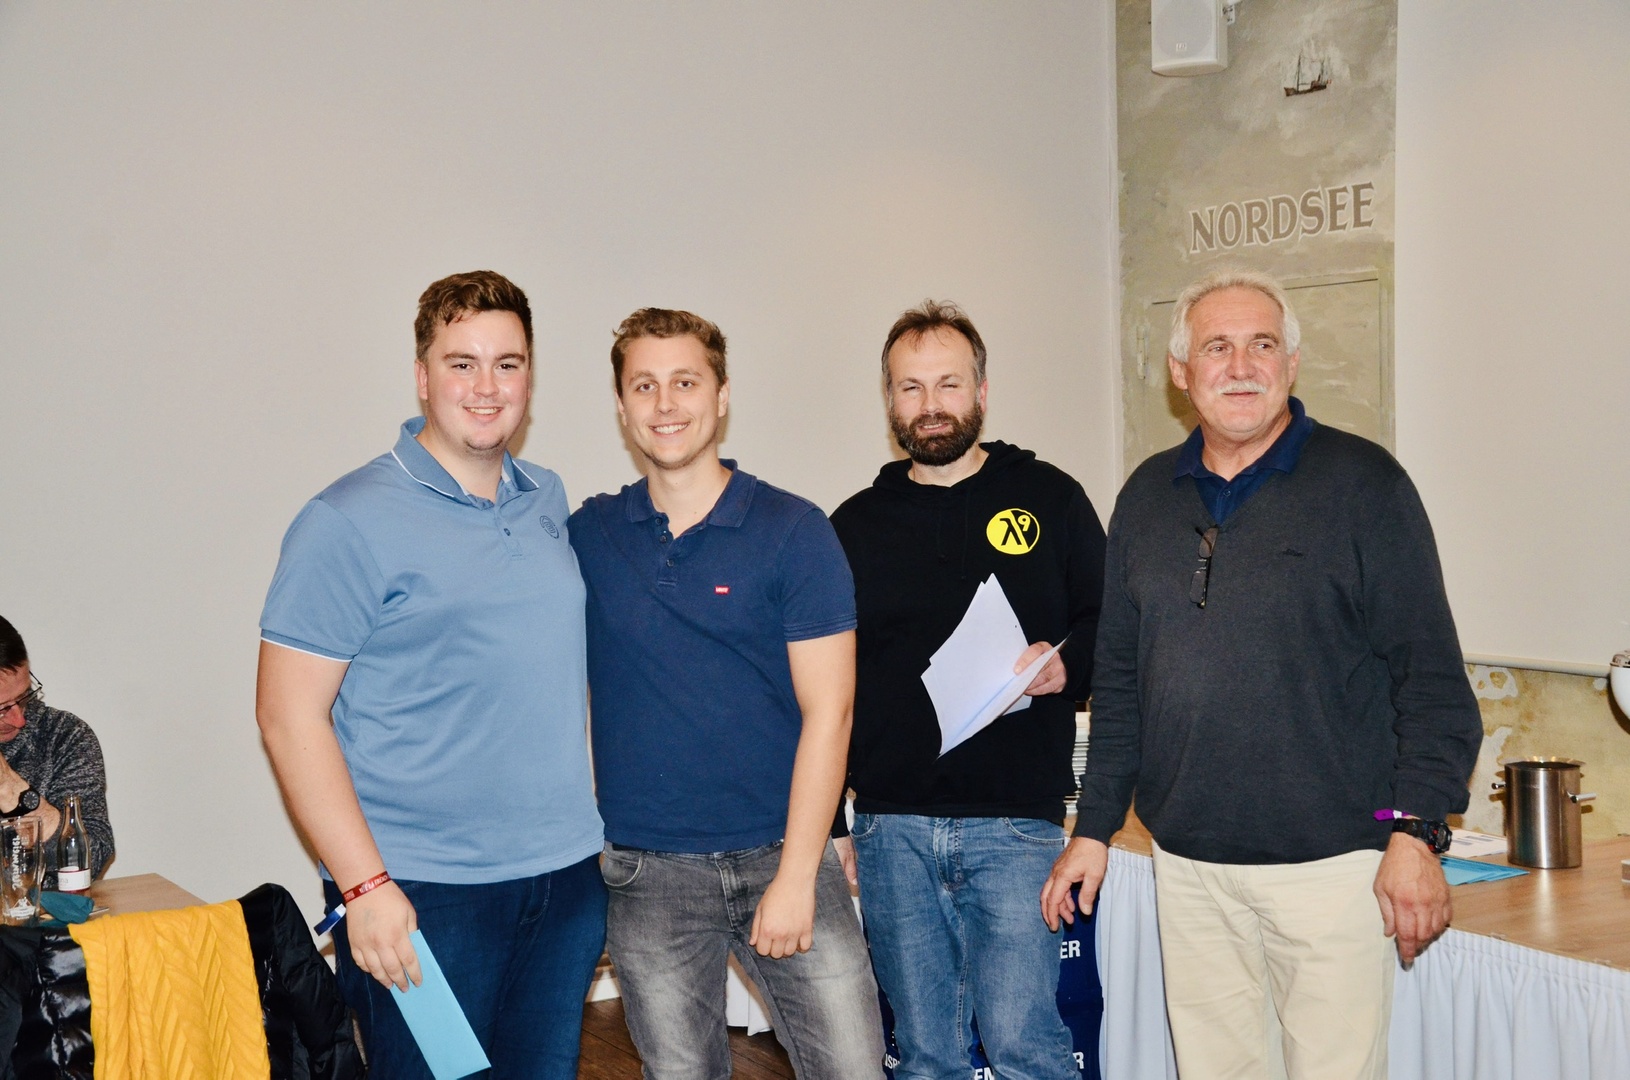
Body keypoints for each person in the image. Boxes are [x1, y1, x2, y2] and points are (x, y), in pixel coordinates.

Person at [1044, 268, 1482, 1080]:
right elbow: (1122, 683)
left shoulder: (1367, 487)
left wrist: (1417, 833)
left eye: (1263, 345)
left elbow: (1430, 683)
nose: (1241, 366)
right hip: (1190, 869)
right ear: (1181, 372)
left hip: (1334, 871)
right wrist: (1093, 829)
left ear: (1292, 364)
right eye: (1217, 347)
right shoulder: (1145, 497)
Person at [256, 271, 605, 1079]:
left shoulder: (546, 499)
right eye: (461, 363)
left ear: (530, 377)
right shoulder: (345, 520)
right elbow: (287, 717)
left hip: (562, 884)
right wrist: (362, 887)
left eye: (507, 364)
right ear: (422, 376)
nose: (487, 387)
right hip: (423, 895)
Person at [568, 308, 884, 1079]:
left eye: (685, 382)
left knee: (854, 1069)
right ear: (621, 405)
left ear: (722, 394)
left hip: (784, 852)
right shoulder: (588, 536)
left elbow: (832, 711)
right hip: (648, 876)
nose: (665, 403)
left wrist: (798, 876)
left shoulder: (794, 530)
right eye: (644, 385)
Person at [828, 300, 1105, 1079]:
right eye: (910, 387)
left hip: (1015, 825)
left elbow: (1110, 624)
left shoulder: (1052, 498)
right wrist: (837, 824)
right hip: (891, 829)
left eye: (948, 384)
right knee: (923, 1058)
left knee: (1029, 1052)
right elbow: (829, 685)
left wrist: (1067, 665)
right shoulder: (853, 526)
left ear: (981, 391)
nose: (931, 405)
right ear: (889, 400)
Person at [0, 615, 115, 889]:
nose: (19, 719)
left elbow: (94, 855)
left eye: (24, 697)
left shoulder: (63, 736)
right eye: (1, 709)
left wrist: (13, 792)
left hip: (36, 916)